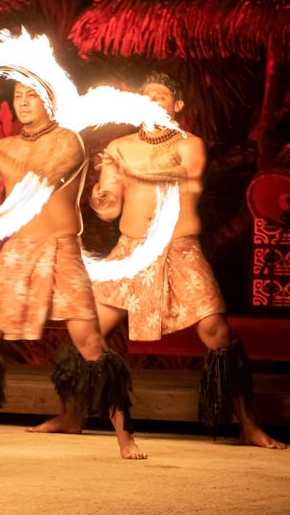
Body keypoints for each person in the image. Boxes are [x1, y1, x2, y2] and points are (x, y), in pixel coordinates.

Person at [44, 71, 284, 449]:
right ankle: (71, 414)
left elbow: (186, 179)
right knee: (85, 331)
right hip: (131, 252)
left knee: (217, 334)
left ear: (177, 105)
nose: (152, 101)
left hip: (180, 251)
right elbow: (108, 206)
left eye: (160, 96)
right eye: (146, 95)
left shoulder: (191, 145)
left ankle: (247, 425)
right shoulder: (120, 147)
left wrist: (126, 167)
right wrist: (102, 195)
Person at [0, 81, 143, 459]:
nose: (23, 104)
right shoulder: (5, 146)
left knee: (89, 342)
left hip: (60, 247)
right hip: (18, 251)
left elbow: (38, 180)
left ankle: (126, 436)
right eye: (18, 98)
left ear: (49, 101)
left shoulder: (67, 141)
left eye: (32, 97)